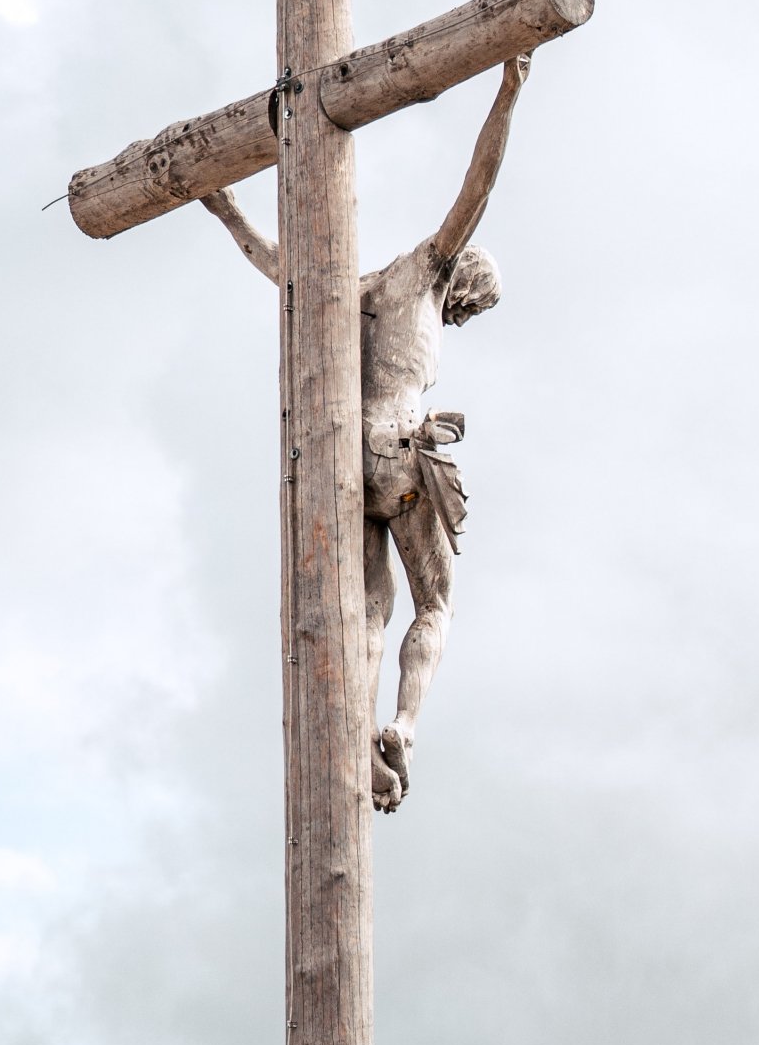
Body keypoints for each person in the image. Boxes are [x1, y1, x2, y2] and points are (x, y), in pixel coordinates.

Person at [201, 54, 529, 810]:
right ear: (467, 284)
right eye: (470, 310)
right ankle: (404, 725)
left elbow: (276, 266)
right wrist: (508, 91)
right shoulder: (431, 269)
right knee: (435, 605)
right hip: (403, 452)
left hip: (342, 455)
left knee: (369, 609)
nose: (460, 320)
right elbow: (478, 185)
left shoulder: (347, 290)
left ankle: (358, 740)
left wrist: (225, 211)